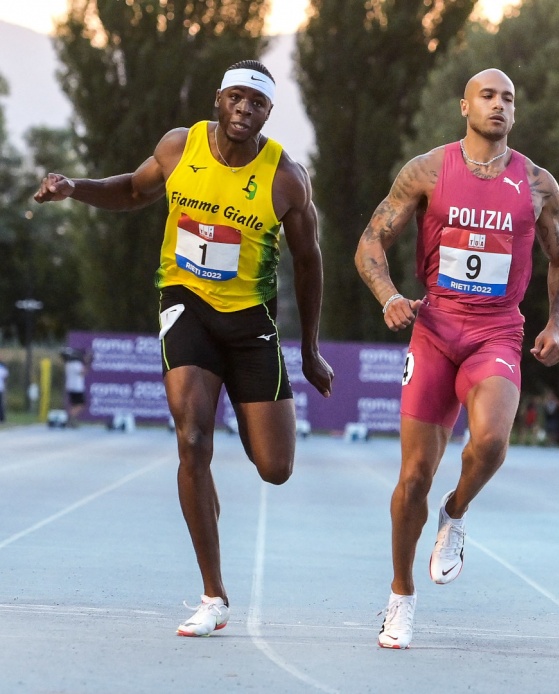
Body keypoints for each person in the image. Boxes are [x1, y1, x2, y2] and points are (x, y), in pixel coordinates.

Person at [34, 60, 333, 637]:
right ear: (219, 99)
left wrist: (310, 349)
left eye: (257, 103)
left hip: (249, 321)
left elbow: (308, 261)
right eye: (236, 98)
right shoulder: (180, 146)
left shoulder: (286, 179)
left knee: (275, 468)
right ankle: (213, 595)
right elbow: (131, 190)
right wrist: (75, 188)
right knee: (192, 440)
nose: (244, 110)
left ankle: (226, 453)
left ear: (269, 113)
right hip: (185, 305)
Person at [354, 68, 559, 649]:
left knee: (493, 442)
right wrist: (389, 297)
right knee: (412, 479)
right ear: (464, 106)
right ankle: (401, 596)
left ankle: (455, 512)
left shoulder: (537, 184)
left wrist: (555, 324)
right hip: (434, 331)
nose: (499, 105)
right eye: (488, 96)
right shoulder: (427, 170)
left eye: (508, 99)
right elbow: (370, 241)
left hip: (496, 333)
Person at [63, 350, 87, 426]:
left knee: (74, 404)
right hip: (77, 387)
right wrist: (87, 364)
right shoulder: (77, 364)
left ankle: (72, 419)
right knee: (81, 404)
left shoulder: (68, 364)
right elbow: (83, 372)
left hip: (70, 386)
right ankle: (71, 417)